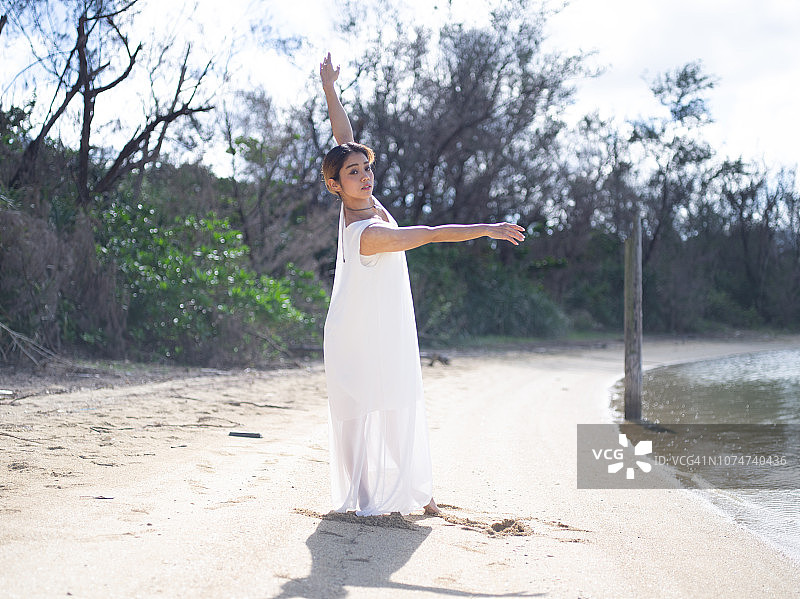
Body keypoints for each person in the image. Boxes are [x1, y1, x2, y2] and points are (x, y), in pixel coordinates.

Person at [319, 52, 525, 517]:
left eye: (366, 169)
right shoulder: (365, 232)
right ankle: (361, 498)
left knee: (396, 400)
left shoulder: (364, 202)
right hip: (354, 336)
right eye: (353, 173)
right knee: (360, 414)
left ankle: (421, 494)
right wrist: (485, 228)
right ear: (336, 186)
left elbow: (343, 138)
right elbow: (429, 236)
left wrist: (330, 89)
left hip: (379, 328)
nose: (364, 175)